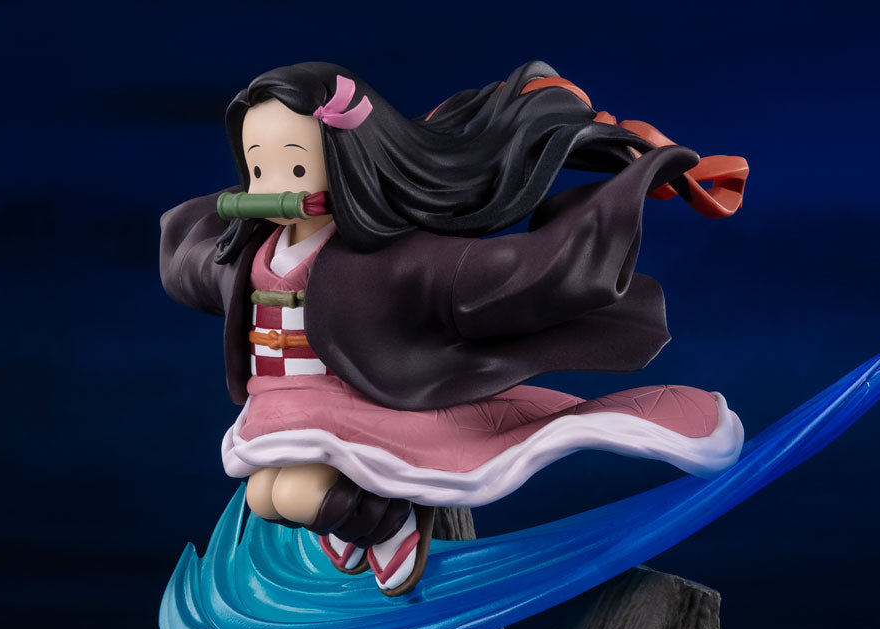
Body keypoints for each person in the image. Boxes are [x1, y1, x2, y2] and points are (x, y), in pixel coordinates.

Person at [160, 61, 749, 597]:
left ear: (344, 163)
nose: (272, 186)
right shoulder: (249, 250)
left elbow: (496, 275)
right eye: (258, 168)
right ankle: (359, 514)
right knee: (265, 497)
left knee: (295, 493)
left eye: (293, 166)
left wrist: (617, 203)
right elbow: (192, 262)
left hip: (355, 400)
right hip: (277, 400)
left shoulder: (386, 258)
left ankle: (388, 520)